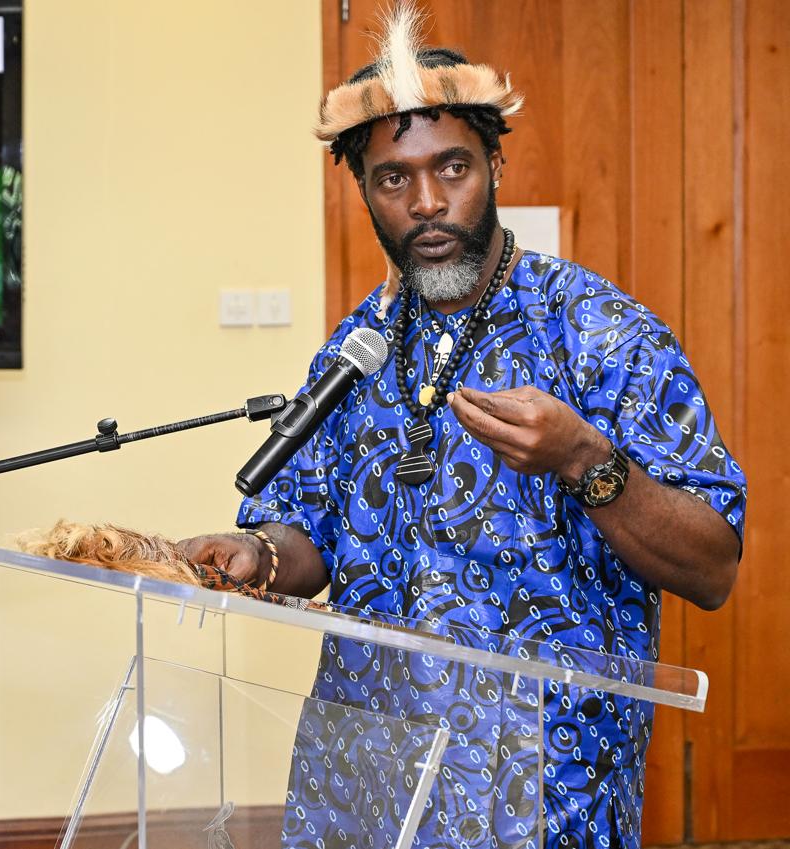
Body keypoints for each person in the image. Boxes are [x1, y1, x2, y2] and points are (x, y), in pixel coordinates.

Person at [181, 5, 745, 849]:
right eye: (394, 179)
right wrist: (258, 555)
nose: (429, 202)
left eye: (453, 167)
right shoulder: (357, 348)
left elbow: (712, 565)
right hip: (367, 771)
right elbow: (314, 542)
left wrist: (583, 458)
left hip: (542, 784)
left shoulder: (601, 332)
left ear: (496, 164)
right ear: (363, 190)